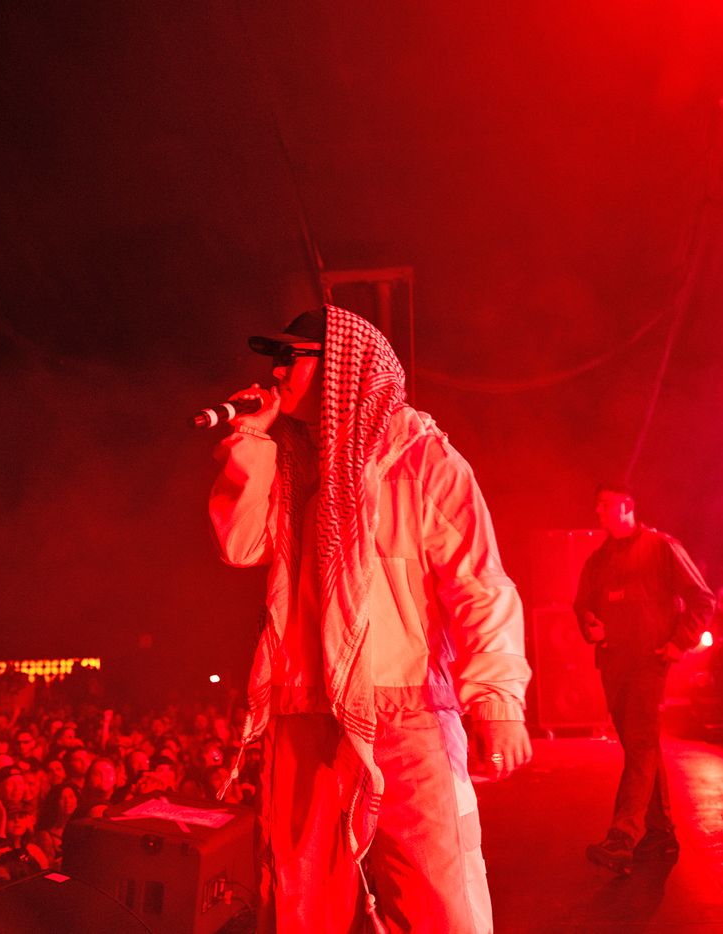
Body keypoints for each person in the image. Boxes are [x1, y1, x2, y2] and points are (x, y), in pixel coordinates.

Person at [208, 304, 532, 933]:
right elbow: (239, 545)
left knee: (442, 903)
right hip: (303, 717)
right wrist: (249, 439)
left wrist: (497, 698)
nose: (275, 372)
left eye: (290, 357)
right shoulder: (291, 463)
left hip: (406, 716)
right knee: (301, 911)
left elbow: (479, 581)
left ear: (342, 369)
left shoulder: (422, 461)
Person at [573, 483, 715, 874]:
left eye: (604, 505)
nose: (597, 512)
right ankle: (661, 833)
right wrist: (590, 623)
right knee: (642, 746)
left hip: (647, 665)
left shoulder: (661, 547)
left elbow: (703, 598)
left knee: (639, 744)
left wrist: (678, 643)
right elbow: (582, 604)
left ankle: (622, 836)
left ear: (626, 507)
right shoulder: (599, 559)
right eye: (597, 505)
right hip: (614, 665)